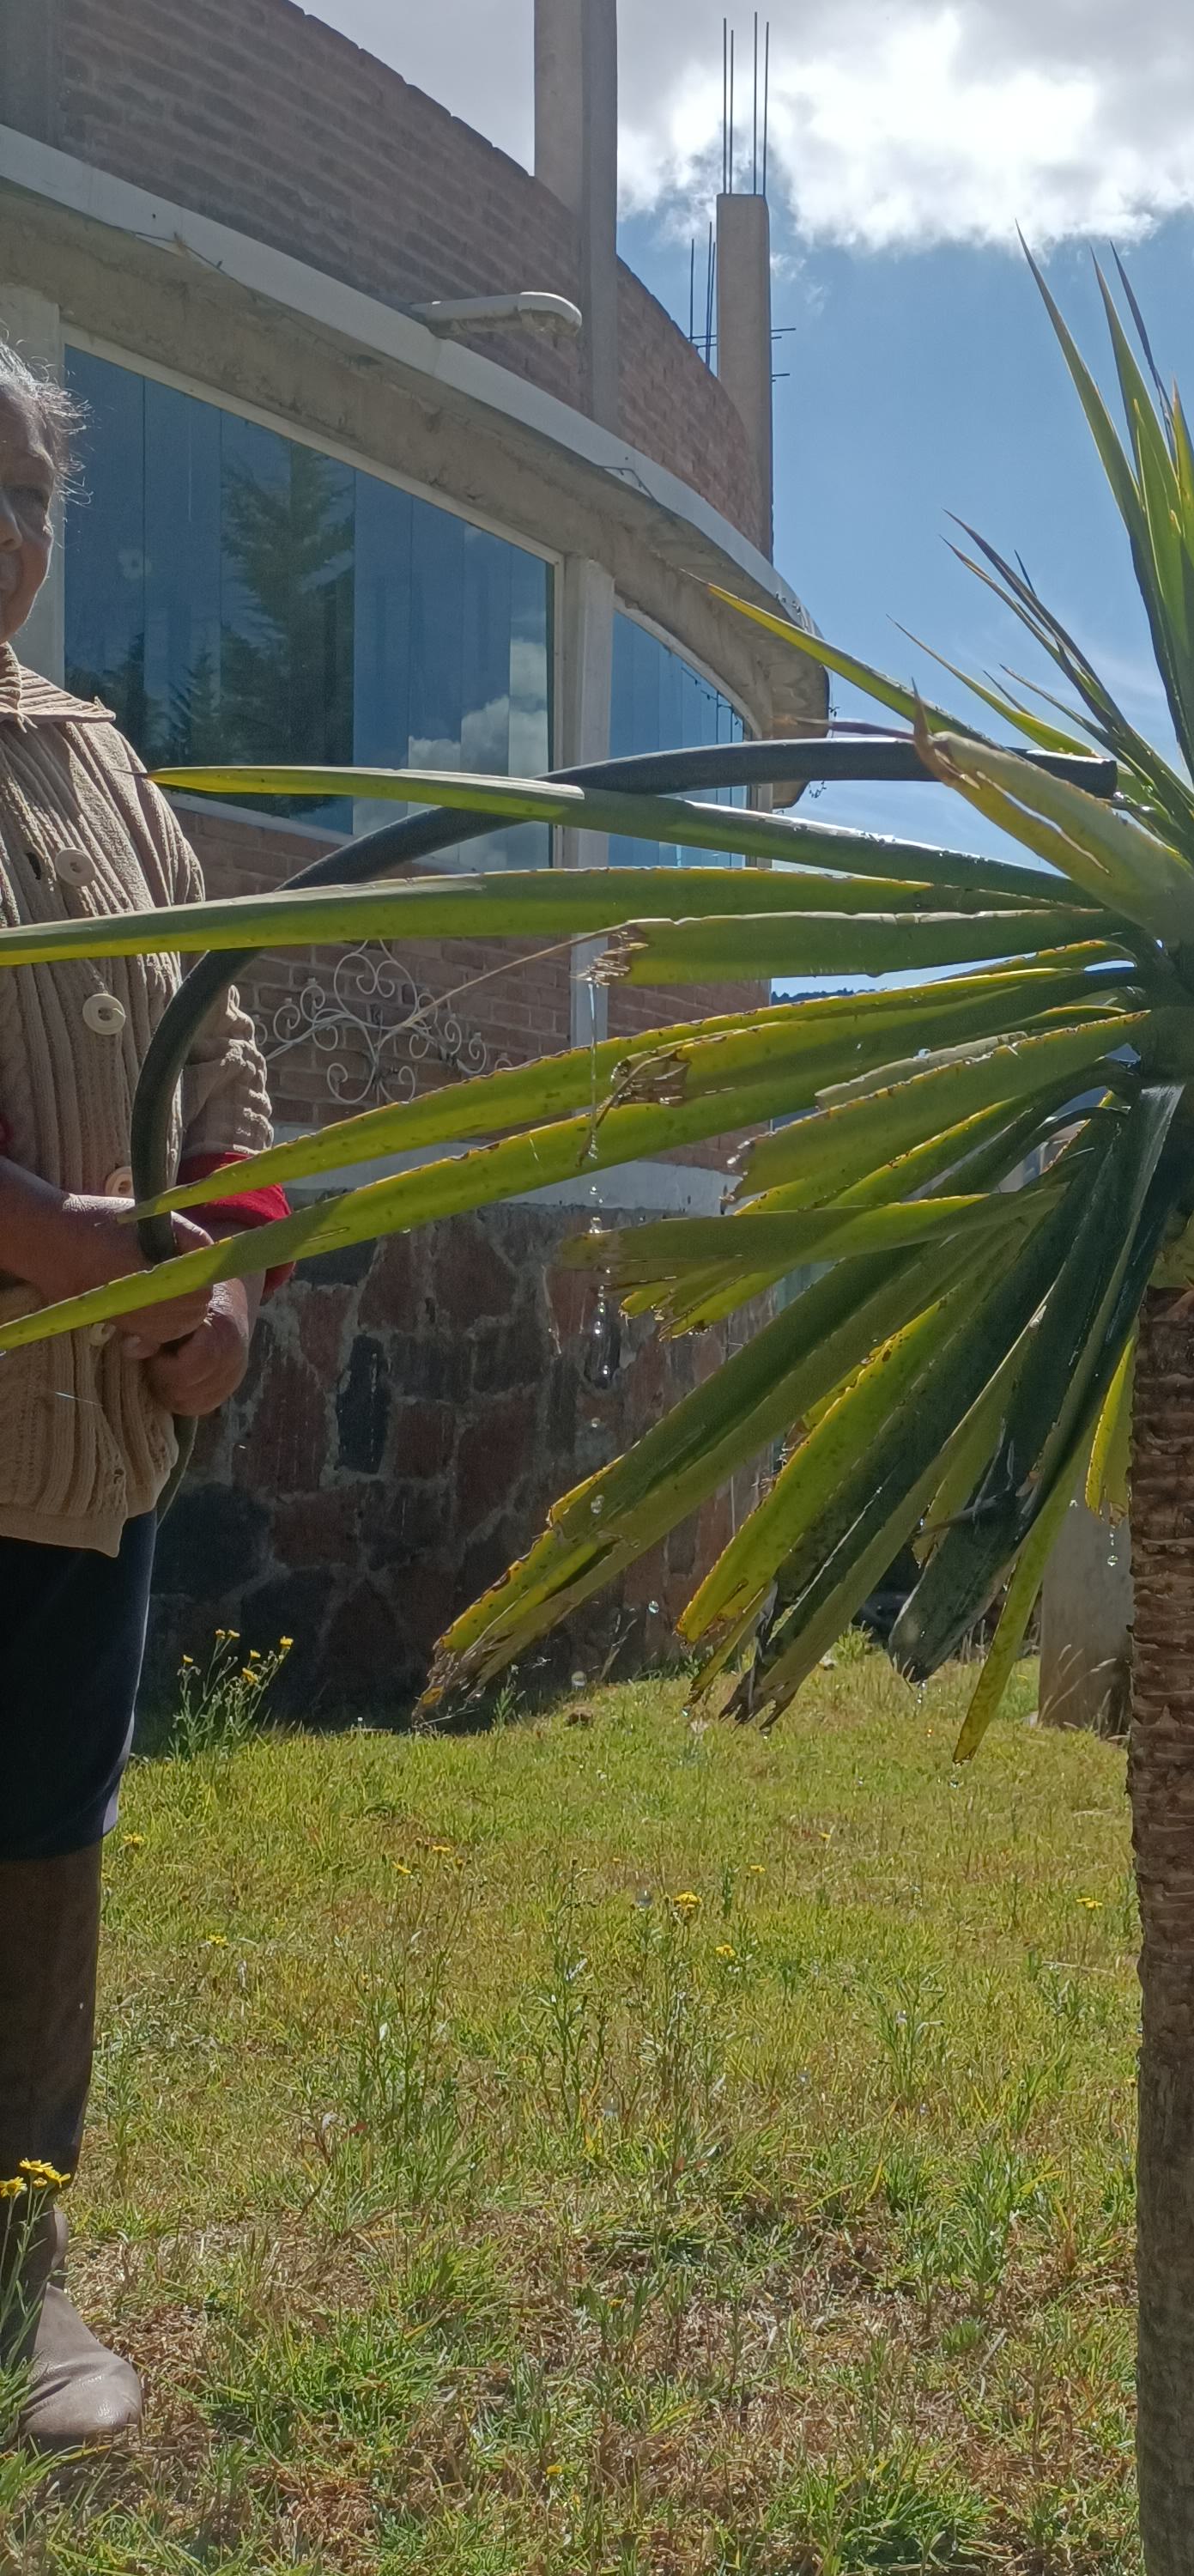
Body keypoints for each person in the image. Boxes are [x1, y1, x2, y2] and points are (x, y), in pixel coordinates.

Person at [0, 338, 287, 2446]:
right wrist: (76, 1249)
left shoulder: (103, 768)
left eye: (21, 495)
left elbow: (223, 1053)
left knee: (39, 1849)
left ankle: (22, 2288)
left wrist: (228, 1287)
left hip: (80, 1450)